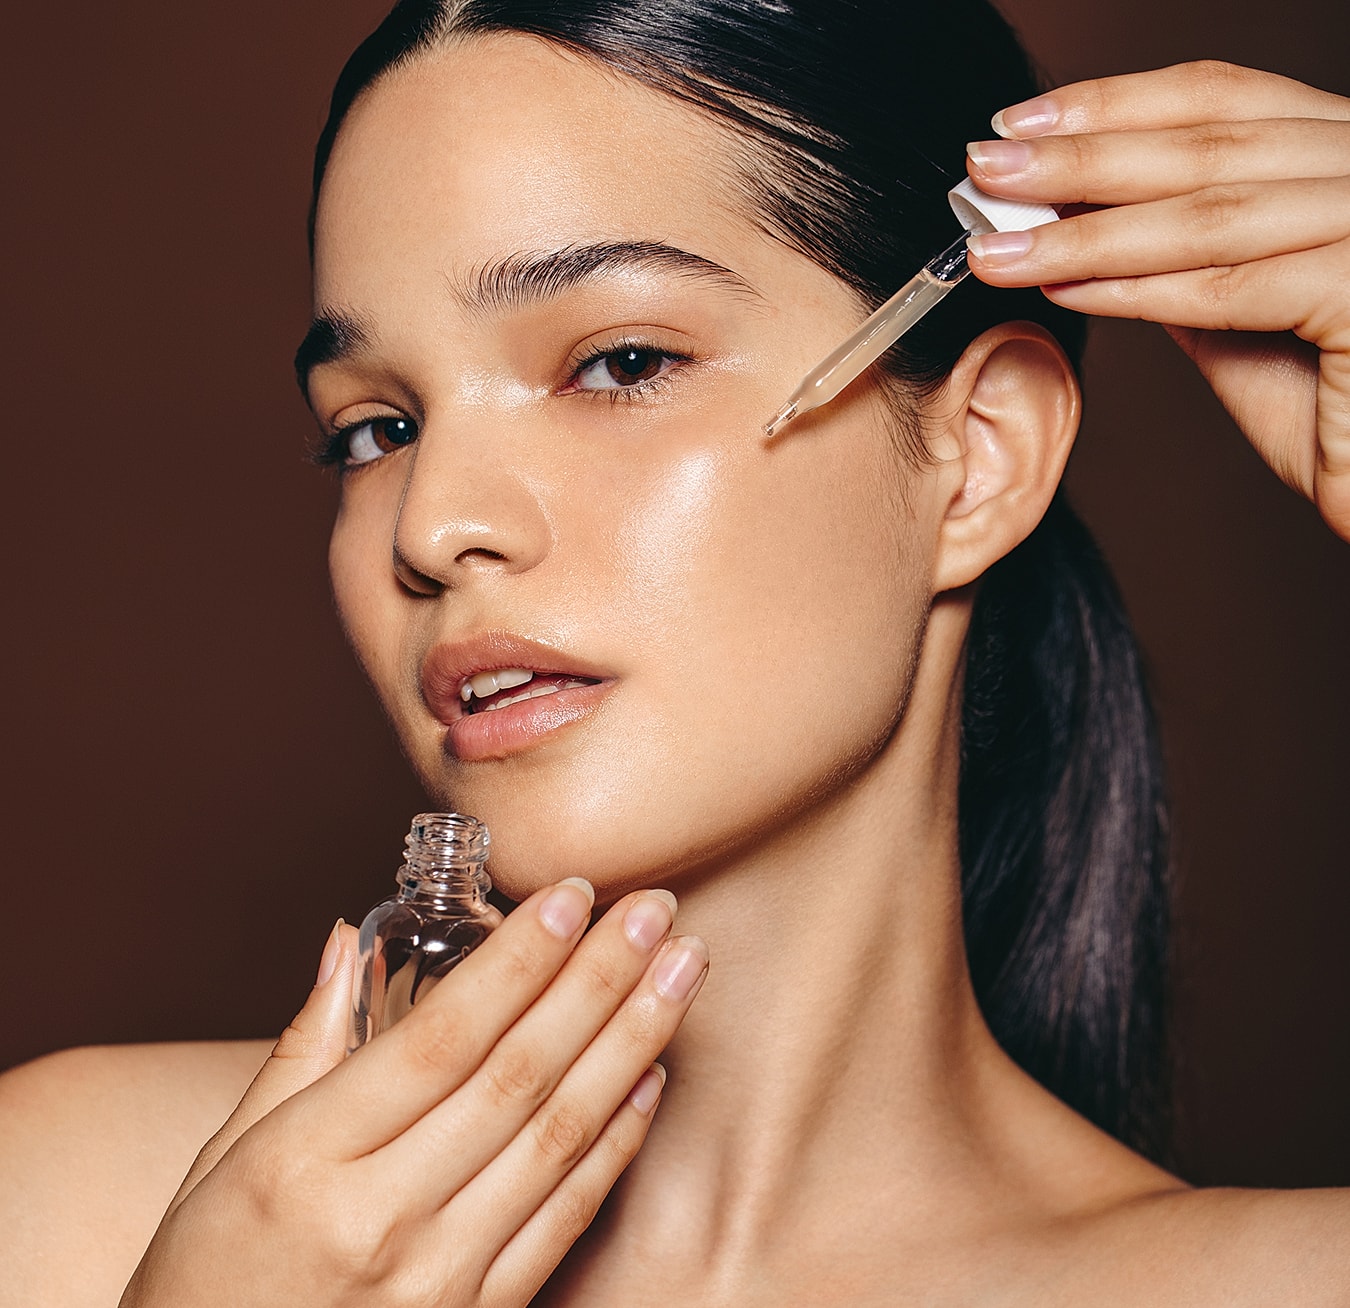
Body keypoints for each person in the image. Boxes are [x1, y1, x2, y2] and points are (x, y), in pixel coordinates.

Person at [2, 0, 1347, 1302]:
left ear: (978, 456)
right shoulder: (75, 1206)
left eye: (621, 361)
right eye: (376, 429)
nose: (434, 522)